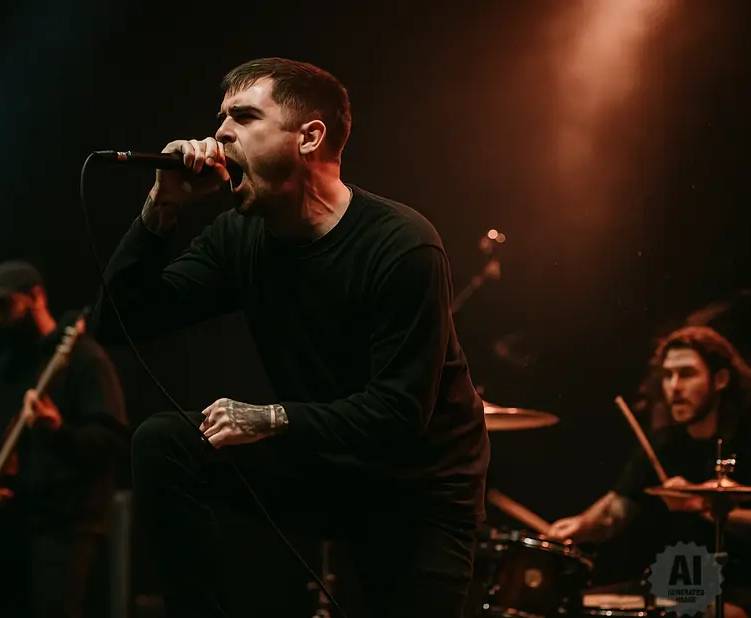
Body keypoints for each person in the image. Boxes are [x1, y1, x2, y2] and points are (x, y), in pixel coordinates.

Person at [94, 57, 490, 618]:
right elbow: (118, 323)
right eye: (221, 118)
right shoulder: (240, 235)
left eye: (244, 116)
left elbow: (399, 413)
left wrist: (271, 417)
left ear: (309, 137)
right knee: (164, 442)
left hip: (417, 491)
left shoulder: (401, 244)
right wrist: (164, 206)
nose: (220, 134)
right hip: (328, 463)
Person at [547, 325, 751, 618]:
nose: (674, 387)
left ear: (721, 379)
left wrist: (704, 507)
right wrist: (576, 527)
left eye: (687, 374)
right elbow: (614, 511)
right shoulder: (664, 444)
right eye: (668, 375)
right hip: (682, 584)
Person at [0, 260, 128, 618]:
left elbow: (110, 441)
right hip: (13, 524)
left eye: (5, 305)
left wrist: (57, 431)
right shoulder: (1, 371)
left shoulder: (82, 359)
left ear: (36, 297)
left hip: (67, 525)